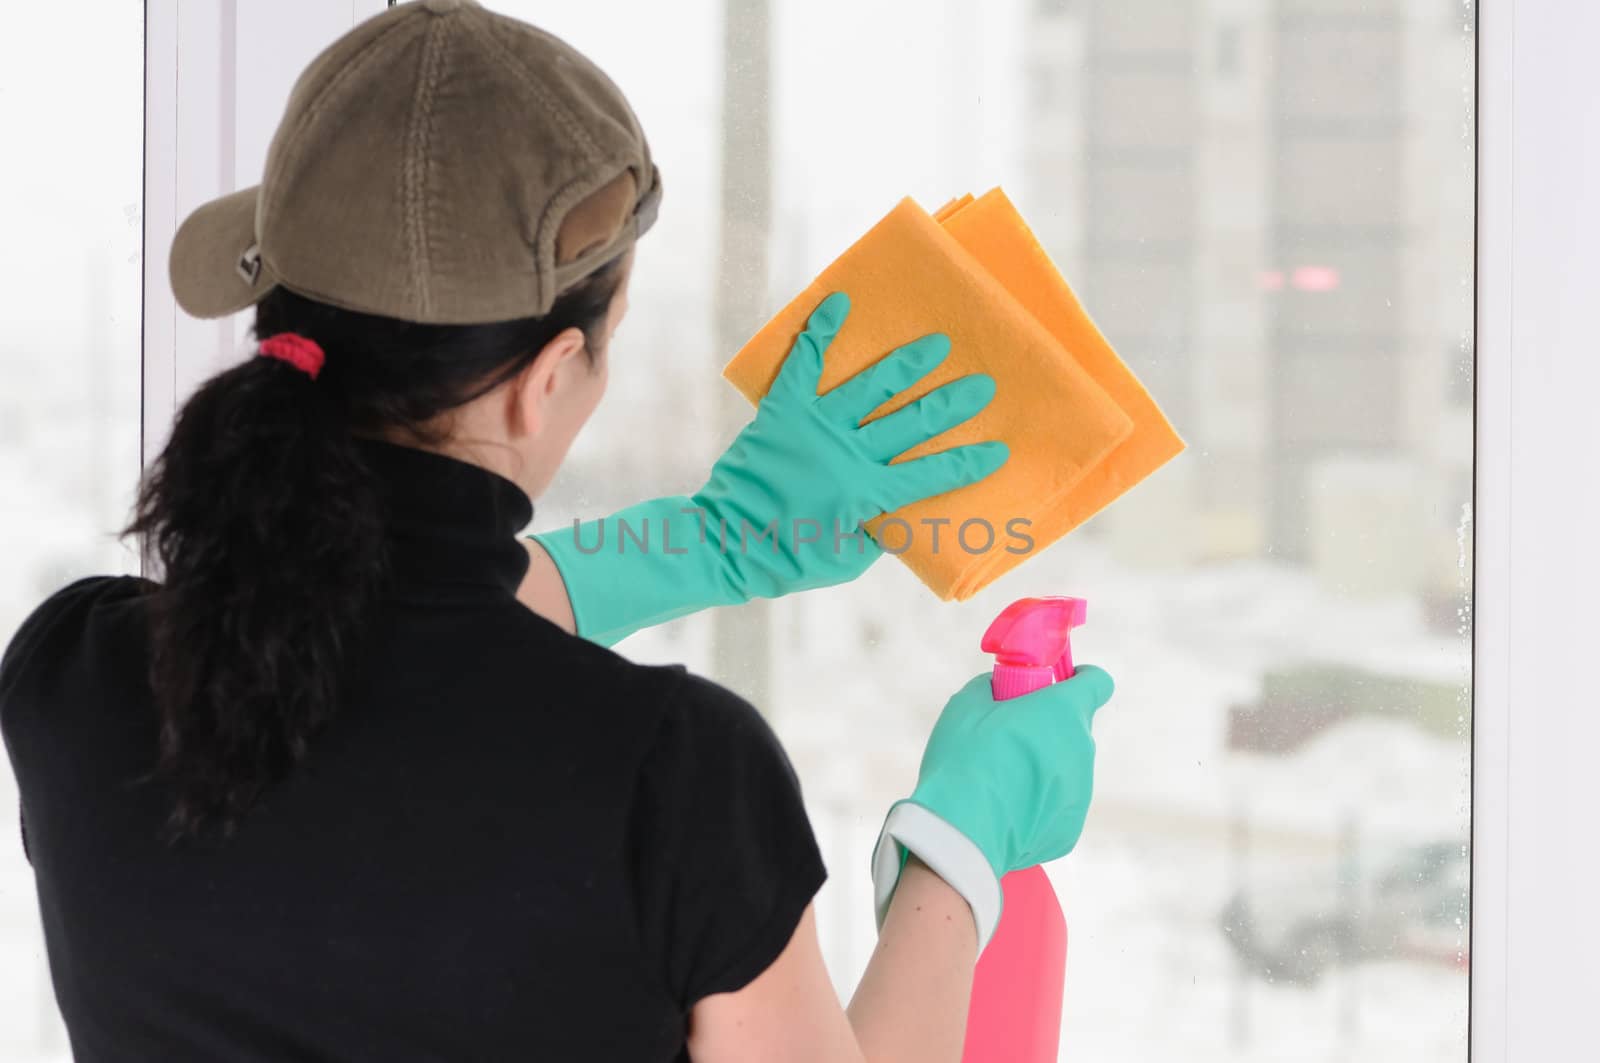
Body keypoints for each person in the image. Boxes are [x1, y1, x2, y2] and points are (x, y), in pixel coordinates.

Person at [0, 2, 1113, 1060]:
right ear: (549, 379)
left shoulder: (71, 677)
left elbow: (372, 634)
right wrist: (957, 851)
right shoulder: (670, 780)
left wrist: (706, 539)